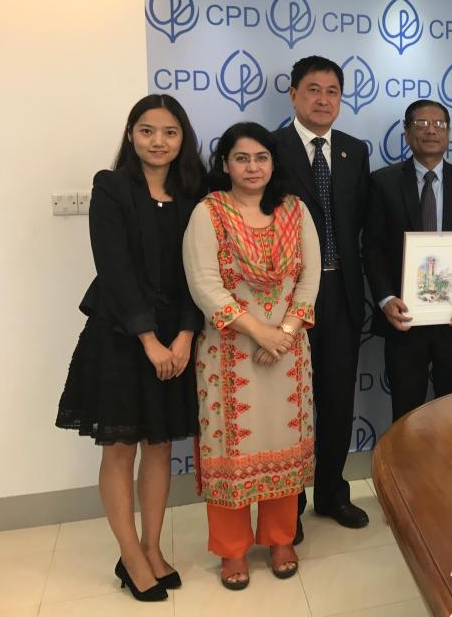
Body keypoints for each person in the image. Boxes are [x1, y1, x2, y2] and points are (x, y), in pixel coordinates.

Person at [56, 94, 206, 602]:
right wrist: (148, 340)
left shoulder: (195, 192)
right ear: (131, 134)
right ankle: (130, 556)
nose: (158, 141)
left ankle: (152, 547)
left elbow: (200, 271)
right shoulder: (112, 187)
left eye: (169, 132)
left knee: (160, 447)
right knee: (120, 450)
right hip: (122, 336)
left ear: (182, 138)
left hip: (177, 336)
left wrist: (183, 335)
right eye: (147, 131)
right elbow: (114, 270)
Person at [182, 122, 320, 590]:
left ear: (273, 163)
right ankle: (232, 549)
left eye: (262, 157)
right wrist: (260, 332)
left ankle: (281, 538)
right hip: (229, 355)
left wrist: (284, 333)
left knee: (285, 445)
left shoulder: (295, 210)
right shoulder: (208, 213)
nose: (253, 167)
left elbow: (310, 279)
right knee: (231, 453)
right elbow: (204, 284)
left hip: (287, 353)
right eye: (241, 158)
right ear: (225, 164)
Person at [273, 55, 370, 537]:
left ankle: (331, 493)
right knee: (289, 405)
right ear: (293, 94)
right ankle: (287, 508)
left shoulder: (354, 150)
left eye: (332, 91)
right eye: (313, 89)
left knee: (336, 401)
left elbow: (363, 223)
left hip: (343, 292)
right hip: (287, 298)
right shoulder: (269, 148)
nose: (323, 99)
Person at [363, 99, 452, 420]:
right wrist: (386, 299)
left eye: (439, 124)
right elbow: (372, 247)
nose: (431, 130)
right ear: (407, 134)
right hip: (405, 318)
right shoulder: (383, 182)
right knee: (406, 412)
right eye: (421, 124)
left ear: (448, 134)